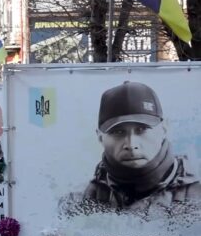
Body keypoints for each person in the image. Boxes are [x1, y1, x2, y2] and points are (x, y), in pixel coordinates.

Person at [60, 81, 201, 223]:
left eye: (142, 129)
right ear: (100, 137)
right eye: (118, 132)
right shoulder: (77, 204)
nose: (131, 144)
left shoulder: (197, 199)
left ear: (164, 129)